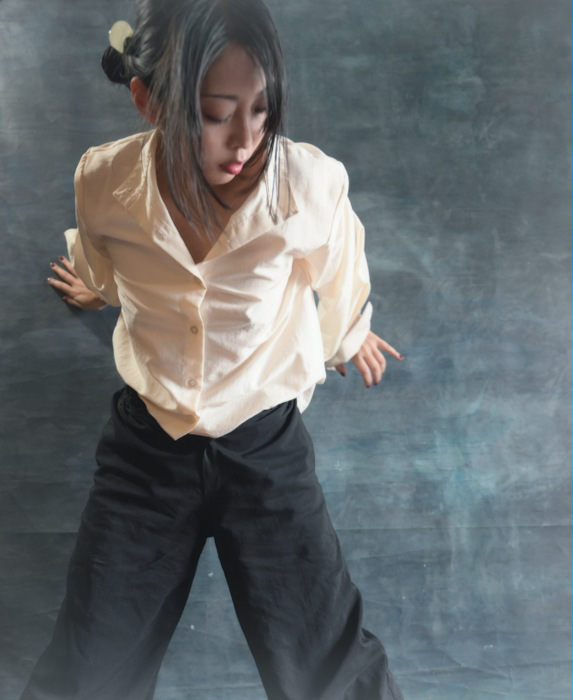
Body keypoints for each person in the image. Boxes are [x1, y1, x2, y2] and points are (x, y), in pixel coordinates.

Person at [22, 0, 404, 698]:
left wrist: (347, 334)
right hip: (148, 447)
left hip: (264, 445)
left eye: (261, 109)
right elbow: (107, 265)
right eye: (215, 113)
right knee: (89, 664)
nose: (245, 139)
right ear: (148, 101)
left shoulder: (307, 184)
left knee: (327, 662)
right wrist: (96, 288)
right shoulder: (104, 181)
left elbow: (340, 269)